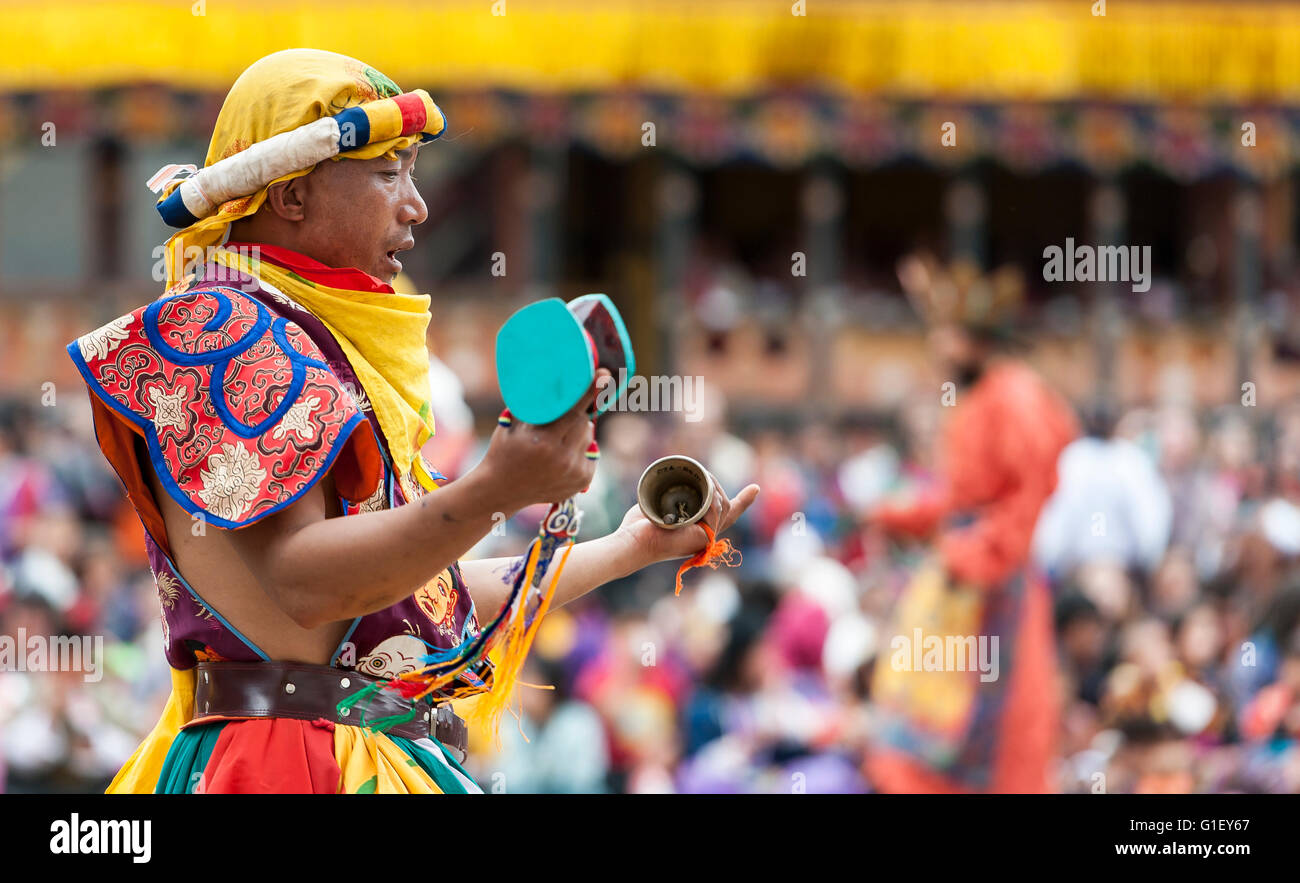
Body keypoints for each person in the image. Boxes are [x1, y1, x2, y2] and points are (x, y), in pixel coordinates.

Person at [66, 48, 758, 794]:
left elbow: (420, 592)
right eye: (387, 172)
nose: (416, 205)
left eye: (414, 172)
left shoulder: (301, 334)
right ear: (292, 196)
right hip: (289, 768)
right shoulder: (225, 328)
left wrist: (629, 546)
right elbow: (306, 582)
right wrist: (494, 487)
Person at [867, 254, 1078, 793]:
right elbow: (962, 499)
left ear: (973, 338)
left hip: (993, 585)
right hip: (962, 580)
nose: (938, 349)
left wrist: (975, 551)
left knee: (1000, 732)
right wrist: (899, 515)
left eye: (946, 335)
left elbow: (1025, 498)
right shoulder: (981, 397)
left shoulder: (1014, 395)